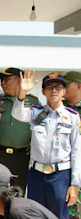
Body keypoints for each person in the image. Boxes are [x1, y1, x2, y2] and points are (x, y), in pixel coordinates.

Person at [11, 70, 81, 219]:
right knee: (35, 215)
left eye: (58, 87)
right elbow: (17, 113)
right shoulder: (37, 114)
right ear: (43, 91)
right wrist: (22, 93)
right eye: (50, 87)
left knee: (59, 216)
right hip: (37, 176)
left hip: (61, 177)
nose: (54, 90)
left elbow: (76, 151)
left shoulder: (72, 117)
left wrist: (75, 184)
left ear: (64, 91)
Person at [0, 67, 40, 219]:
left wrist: (34, 145)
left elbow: (39, 127)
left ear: (19, 81)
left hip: (20, 157)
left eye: (7, 79)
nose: (3, 83)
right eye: (2, 80)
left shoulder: (33, 102)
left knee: (15, 195)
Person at [63, 71, 81, 219]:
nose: (62, 88)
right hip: (61, 169)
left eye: (66, 85)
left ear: (79, 86)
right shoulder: (55, 108)